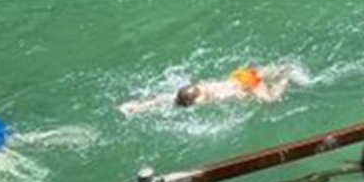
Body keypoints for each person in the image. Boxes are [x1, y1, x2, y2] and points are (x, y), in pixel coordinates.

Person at [120, 64, 294, 115]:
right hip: (239, 74)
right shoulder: (195, 89)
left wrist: (248, 95)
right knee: (260, 73)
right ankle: (278, 70)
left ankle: (286, 75)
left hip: (245, 83)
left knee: (271, 98)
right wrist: (137, 107)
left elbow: (238, 92)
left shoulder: (214, 96)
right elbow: (161, 99)